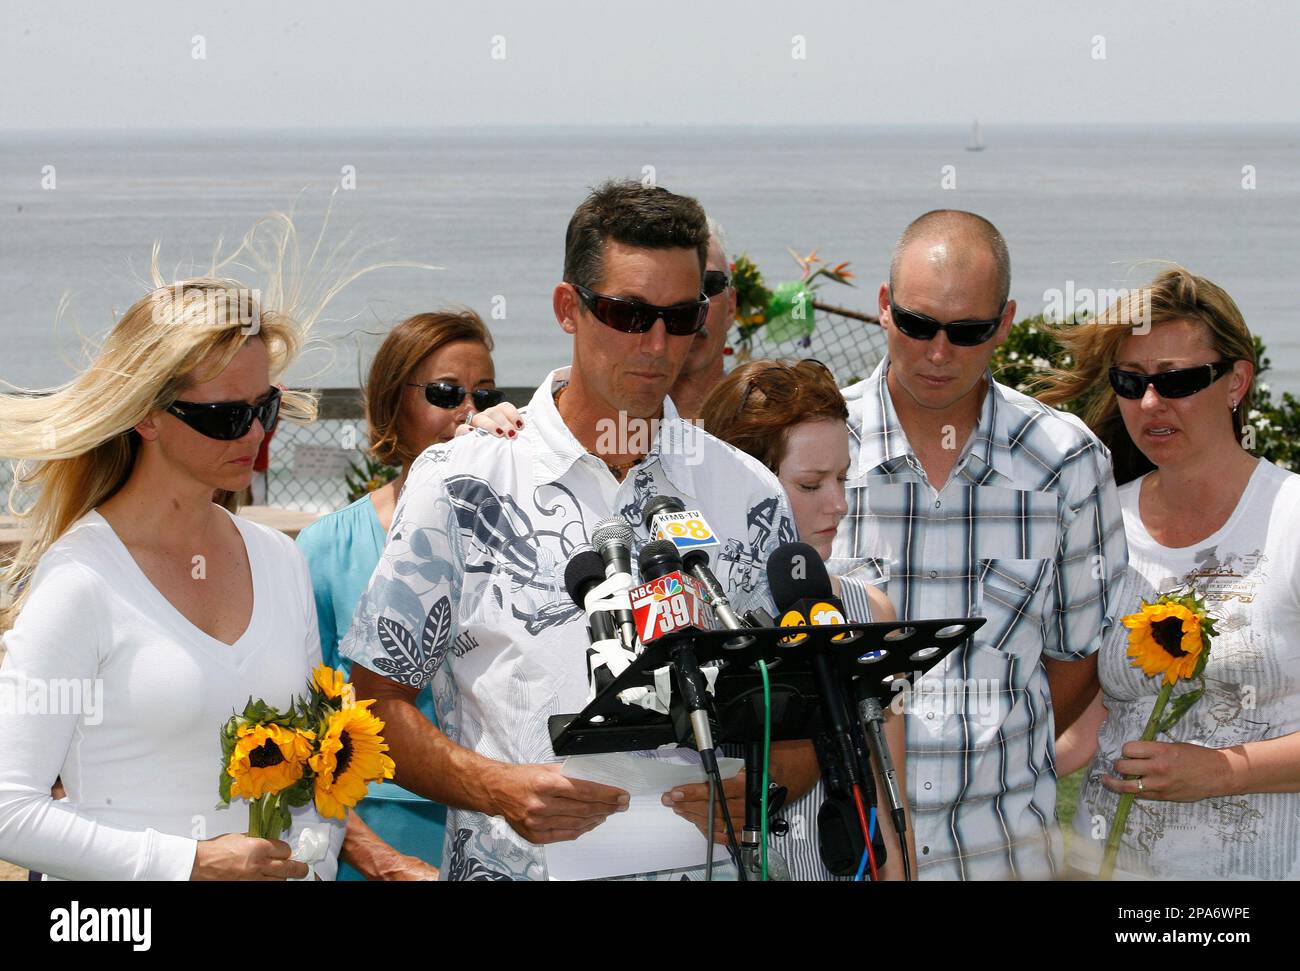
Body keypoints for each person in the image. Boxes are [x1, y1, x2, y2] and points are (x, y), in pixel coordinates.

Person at [338, 180, 797, 881]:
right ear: (567, 309)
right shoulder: (462, 483)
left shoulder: (750, 493)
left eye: (680, 317)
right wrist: (497, 788)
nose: (656, 342)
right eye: (627, 312)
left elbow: (809, 708)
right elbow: (375, 702)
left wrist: (768, 786)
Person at [0, 218, 350, 879]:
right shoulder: (82, 580)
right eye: (225, 416)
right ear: (147, 415)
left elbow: (317, 776)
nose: (255, 434)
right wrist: (189, 862)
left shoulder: (279, 560)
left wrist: (308, 865)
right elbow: (8, 807)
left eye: (266, 408)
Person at [831, 209, 1129, 880]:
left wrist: (987, 755)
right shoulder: (816, 451)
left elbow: (1076, 661)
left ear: (1005, 322)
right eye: (917, 324)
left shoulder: (1066, 463)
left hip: (1001, 855)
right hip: (847, 857)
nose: (938, 352)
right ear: (883, 307)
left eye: (966, 332)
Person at [1034, 267, 1300, 880]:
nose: (1151, 403)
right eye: (1131, 381)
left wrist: (1222, 770)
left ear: (1237, 381)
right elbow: (1098, 717)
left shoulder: (1288, 518)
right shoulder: (1098, 524)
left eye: (1177, 380)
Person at [295, 308, 521, 880]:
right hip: (376, 833)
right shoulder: (326, 550)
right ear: (394, 403)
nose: (469, 412)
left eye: (484, 392)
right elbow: (303, 731)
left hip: (509, 829)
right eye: (446, 393)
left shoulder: (528, 543)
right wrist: (381, 859)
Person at [700, 358, 913, 879]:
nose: (839, 504)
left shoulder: (868, 612)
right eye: (812, 485)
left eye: (841, 478)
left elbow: (890, 810)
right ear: (743, 488)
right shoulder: (688, 624)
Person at [669, 218, 737, 419]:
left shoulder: (769, 427)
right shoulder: (600, 426)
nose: (690, 307)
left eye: (708, 285)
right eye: (673, 288)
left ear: (731, 307)